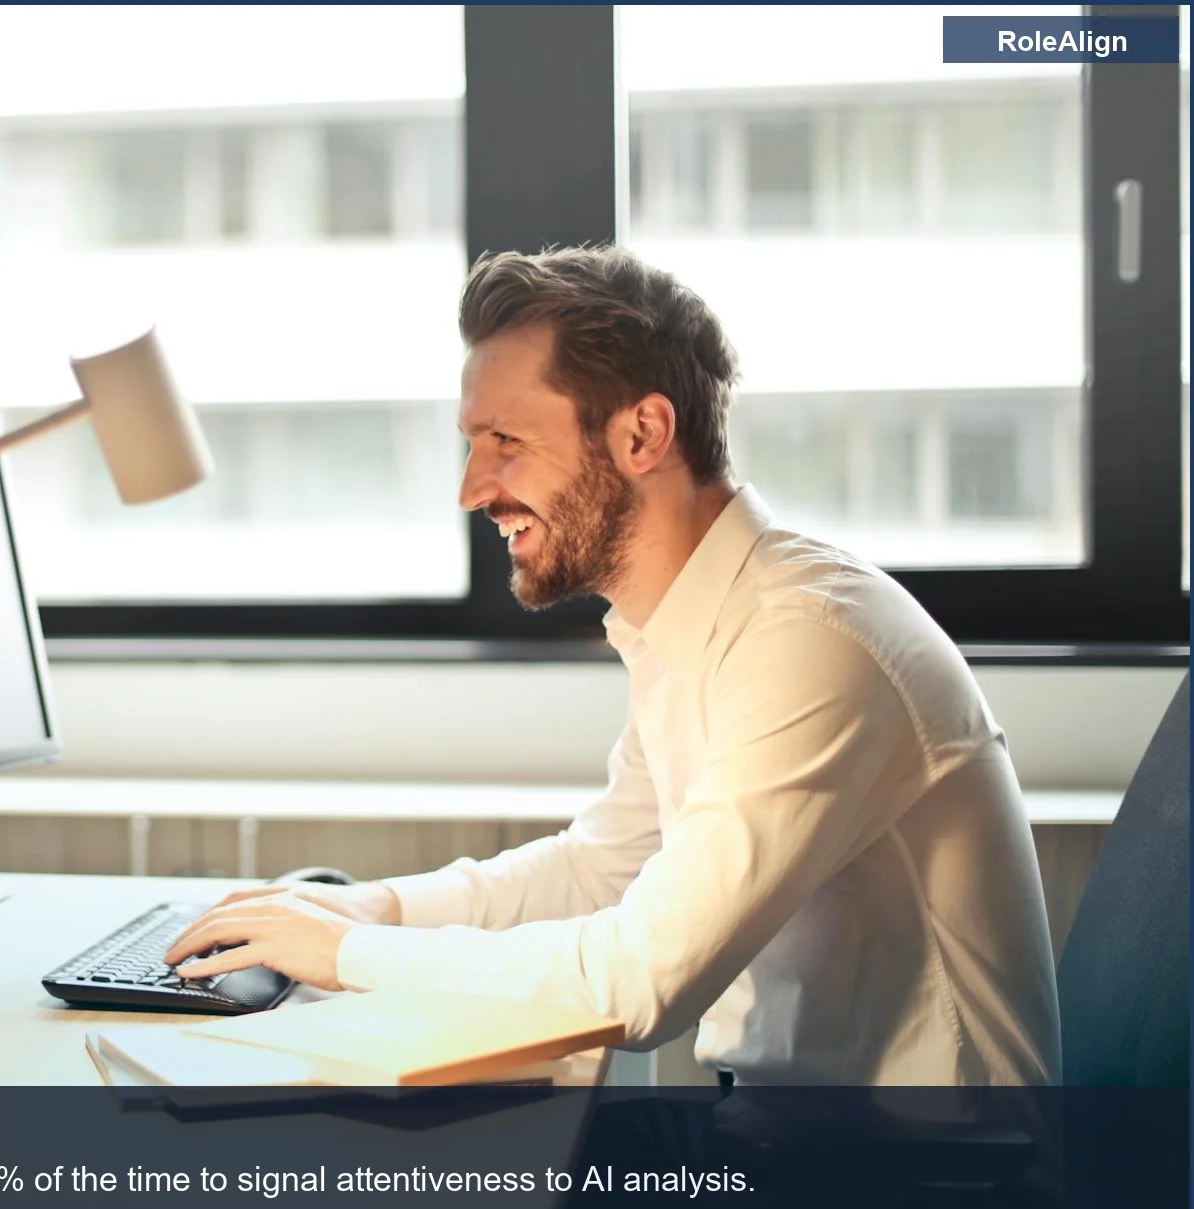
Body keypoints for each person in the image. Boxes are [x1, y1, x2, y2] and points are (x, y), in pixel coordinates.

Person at [166, 245, 1061, 1086]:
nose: (473, 489)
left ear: (643, 434)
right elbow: (600, 869)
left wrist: (343, 955)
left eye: (506, 441)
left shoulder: (810, 642)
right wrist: (373, 910)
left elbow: (637, 981)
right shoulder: (693, 623)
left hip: (923, 1177)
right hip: (797, 1143)